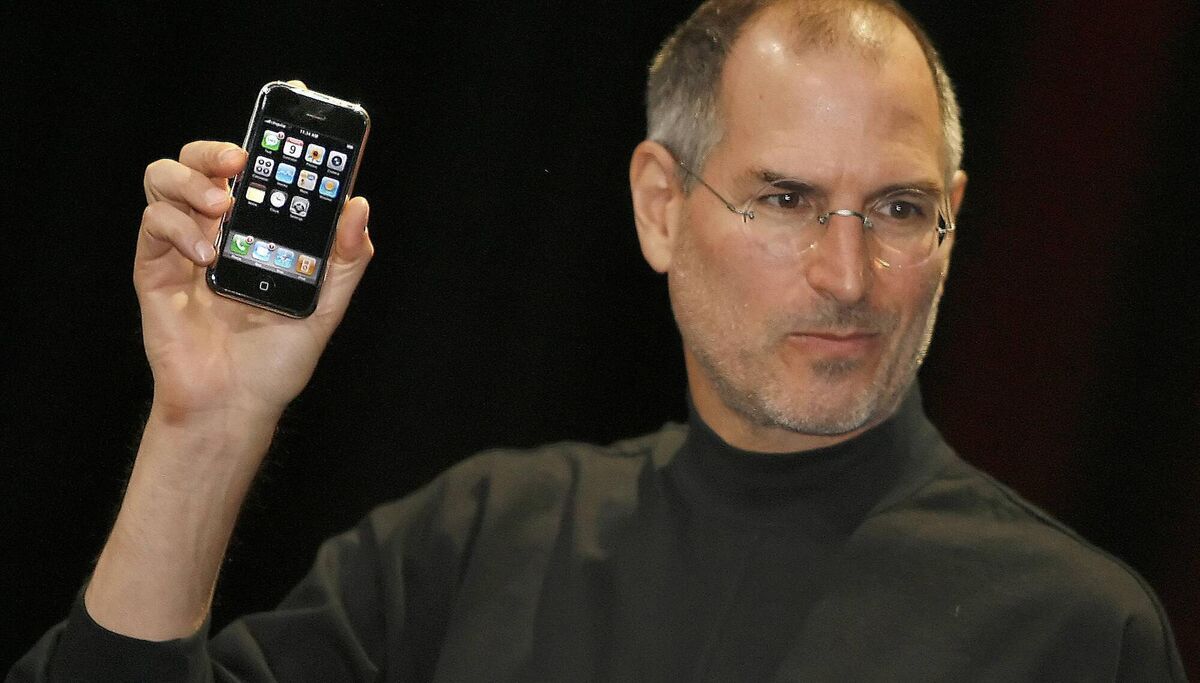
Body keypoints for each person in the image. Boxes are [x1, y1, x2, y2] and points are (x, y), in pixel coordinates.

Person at [11, 0, 1186, 680]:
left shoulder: (1077, 630)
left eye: (898, 208)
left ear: (955, 217)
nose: (848, 275)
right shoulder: (475, 542)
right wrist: (206, 426)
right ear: (660, 206)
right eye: (784, 199)